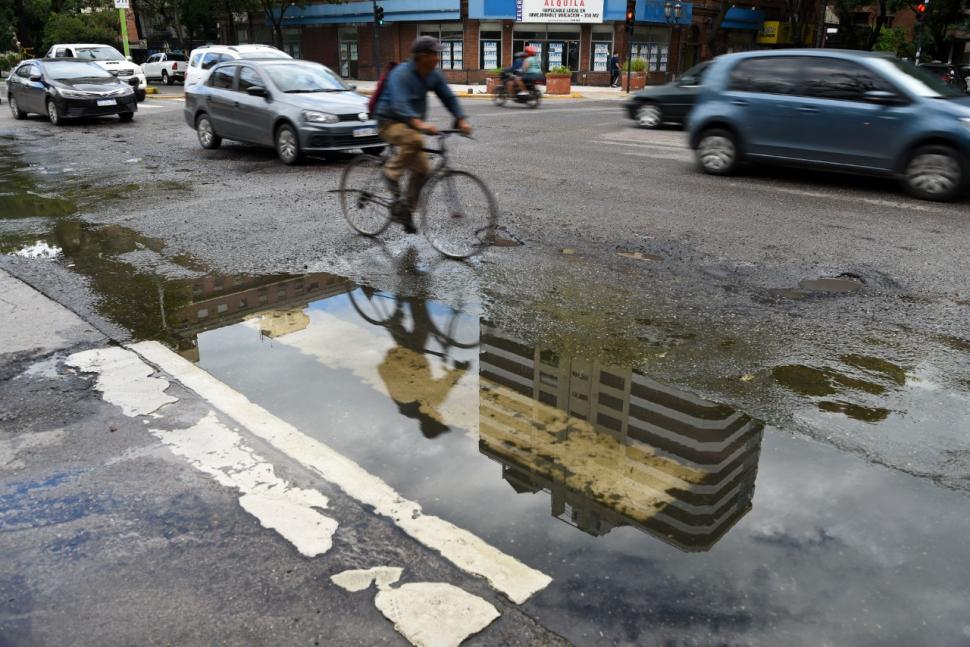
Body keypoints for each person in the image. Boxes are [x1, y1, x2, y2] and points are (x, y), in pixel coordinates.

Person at [374, 36, 473, 233]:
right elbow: (399, 104)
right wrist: (419, 123)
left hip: (410, 125)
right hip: (389, 122)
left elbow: (448, 96)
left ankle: (406, 210)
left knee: (423, 171)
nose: (437, 57)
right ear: (421, 56)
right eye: (433, 54)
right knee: (415, 139)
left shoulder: (432, 75)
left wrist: (460, 118)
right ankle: (390, 173)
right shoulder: (401, 74)